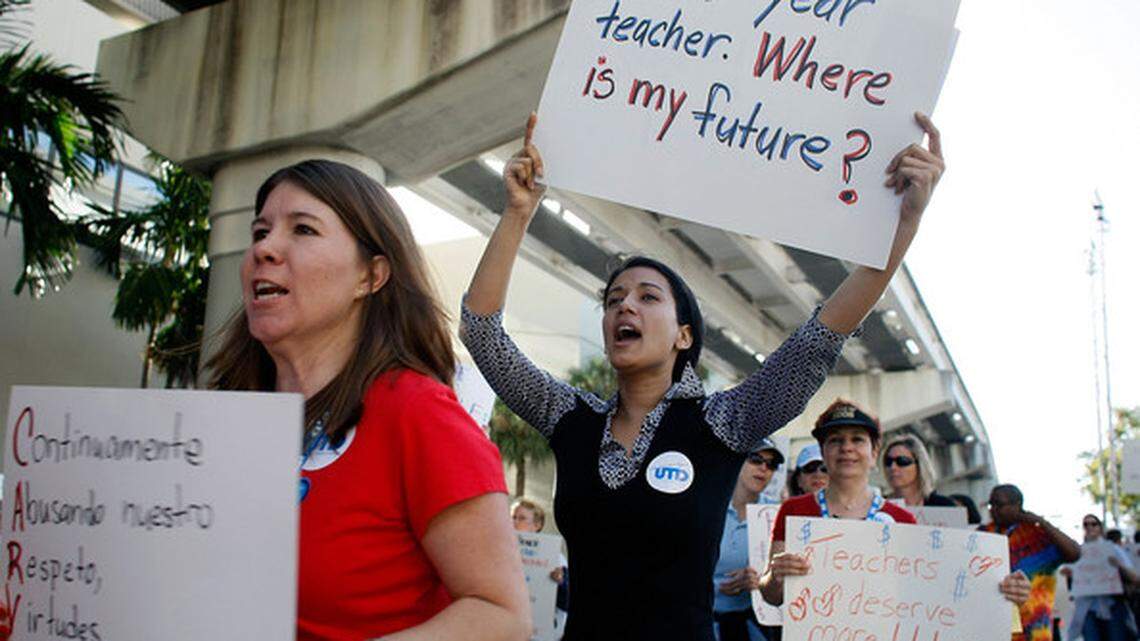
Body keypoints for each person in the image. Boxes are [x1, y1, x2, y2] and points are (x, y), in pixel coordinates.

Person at [461, 111, 946, 640]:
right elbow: (482, 334)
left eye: (648, 298)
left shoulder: (726, 422)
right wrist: (516, 211)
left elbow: (819, 339)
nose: (626, 308)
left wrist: (905, 225)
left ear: (684, 336)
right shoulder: (569, 417)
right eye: (614, 300)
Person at [206, 160, 529, 641]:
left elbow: (502, 615)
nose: (264, 249)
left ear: (371, 275)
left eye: (303, 229)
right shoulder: (223, 418)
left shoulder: (419, 414)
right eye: (260, 231)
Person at [759, 400, 1030, 609]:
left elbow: (932, 592)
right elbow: (771, 596)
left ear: (874, 452)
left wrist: (1000, 590)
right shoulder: (794, 511)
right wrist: (776, 576)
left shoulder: (902, 519)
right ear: (824, 451)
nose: (846, 447)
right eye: (835, 440)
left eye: (857, 439)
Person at [981, 484, 1081, 641]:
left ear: (1017, 505)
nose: (993, 510)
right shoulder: (984, 534)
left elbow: (1074, 553)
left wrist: (1042, 522)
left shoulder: (1037, 536)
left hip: (1034, 629)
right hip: (994, 628)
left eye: (999, 505)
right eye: (990, 504)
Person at [712, 438, 784, 641]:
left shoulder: (776, 513)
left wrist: (764, 580)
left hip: (751, 623)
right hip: (702, 620)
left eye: (771, 465)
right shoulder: (709, 506)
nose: (763, 468)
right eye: (755, 459)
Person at [1066, 514, 1138, 641]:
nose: (1089, 527)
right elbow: (1072, 588)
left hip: (1113, 607)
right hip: (1088, 610)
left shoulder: (1113, 549)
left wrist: (1118, 565)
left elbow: (1134, 578)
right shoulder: (1078, 552)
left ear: (1100, 527)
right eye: (1086, 524)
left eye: (1093, 524)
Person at [511, 499, 570, 635]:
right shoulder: (501, 552)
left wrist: (560, 582)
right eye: (512, 517)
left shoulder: (556, 559)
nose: (514, 522)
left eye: (521, 518)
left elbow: (565, 602)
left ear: (537, 525)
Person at [881, 433, 956, 506]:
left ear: (920, 465)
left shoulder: (944, 506)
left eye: (902, 461)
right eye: (888, 461)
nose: (892, 467)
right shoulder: (878, 507)